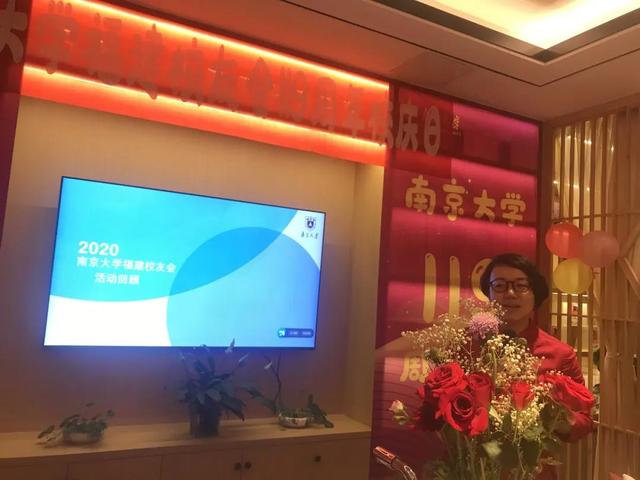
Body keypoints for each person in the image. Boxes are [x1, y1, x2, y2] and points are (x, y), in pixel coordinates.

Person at [480, 253, 594, 479]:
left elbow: (584, 421)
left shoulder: (560, 354)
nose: (510, 293)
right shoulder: (468, 345)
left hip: (533, 473)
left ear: (536, 294)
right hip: (474, 469)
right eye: (500, 285)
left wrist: (558, 416)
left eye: (521, 286)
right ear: (489, 292)